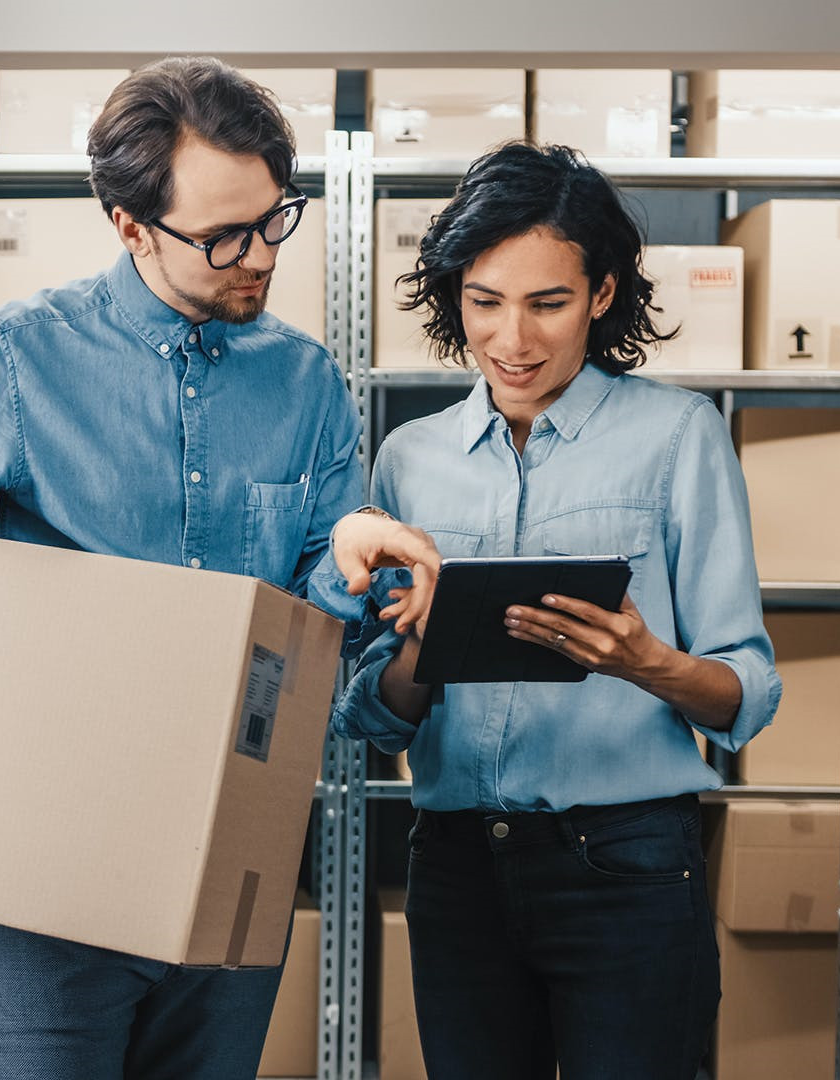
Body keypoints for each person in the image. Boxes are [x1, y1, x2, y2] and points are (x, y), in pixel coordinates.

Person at [0, 56, 436, 1080]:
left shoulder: (307, 385)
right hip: (42, 877)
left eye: (274, 219)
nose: (261, 256)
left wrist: (343, 568)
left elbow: (314, 647)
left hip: (231, 866)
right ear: (130, 226)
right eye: (224, 237)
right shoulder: (13, 360)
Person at [317, 142, 783, 1080]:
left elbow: (749, 692)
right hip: (456, 868)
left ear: (602, 294)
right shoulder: (409, 458)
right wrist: (419, 649)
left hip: (626, 863)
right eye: (484, 302)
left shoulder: (678, 436)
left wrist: (645, 661)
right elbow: (373, 716)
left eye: (548, 303)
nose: (512, 339)